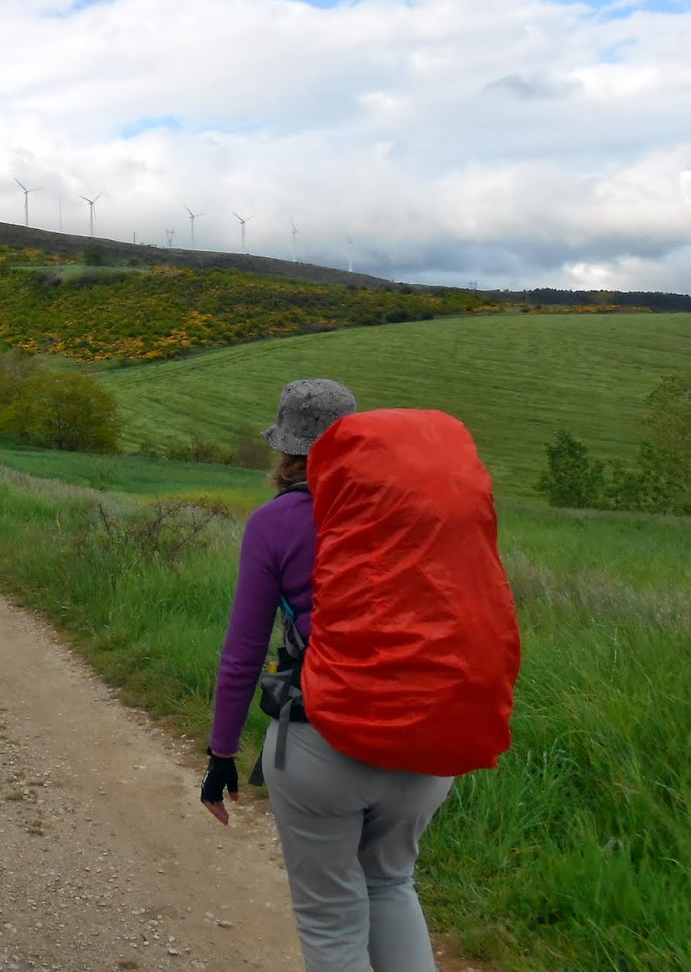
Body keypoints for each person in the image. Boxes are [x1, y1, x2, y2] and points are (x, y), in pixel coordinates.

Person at [200, 378, 460, 972]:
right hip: (425, 739)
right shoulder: (413, 509)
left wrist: (222, 754)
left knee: (330, 919)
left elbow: (243, 652)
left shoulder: (276, 522)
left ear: (285, 449)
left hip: (321, 741)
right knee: (392, 885)